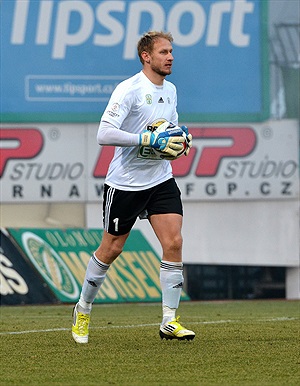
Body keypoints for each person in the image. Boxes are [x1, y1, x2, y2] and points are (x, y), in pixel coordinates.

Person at [72, 31, 195, 343]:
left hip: (160, 179)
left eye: (171, 52)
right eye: (164, 52)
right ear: (146, 56)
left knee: (175, 242)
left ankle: (170, 320)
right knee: (112, 249)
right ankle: (83, 308)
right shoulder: (129, 90)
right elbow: (104, 133)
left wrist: (180, 142)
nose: (170, 57)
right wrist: (146, 139)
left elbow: (169, 129)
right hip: (125, 184)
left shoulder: (172, 90)